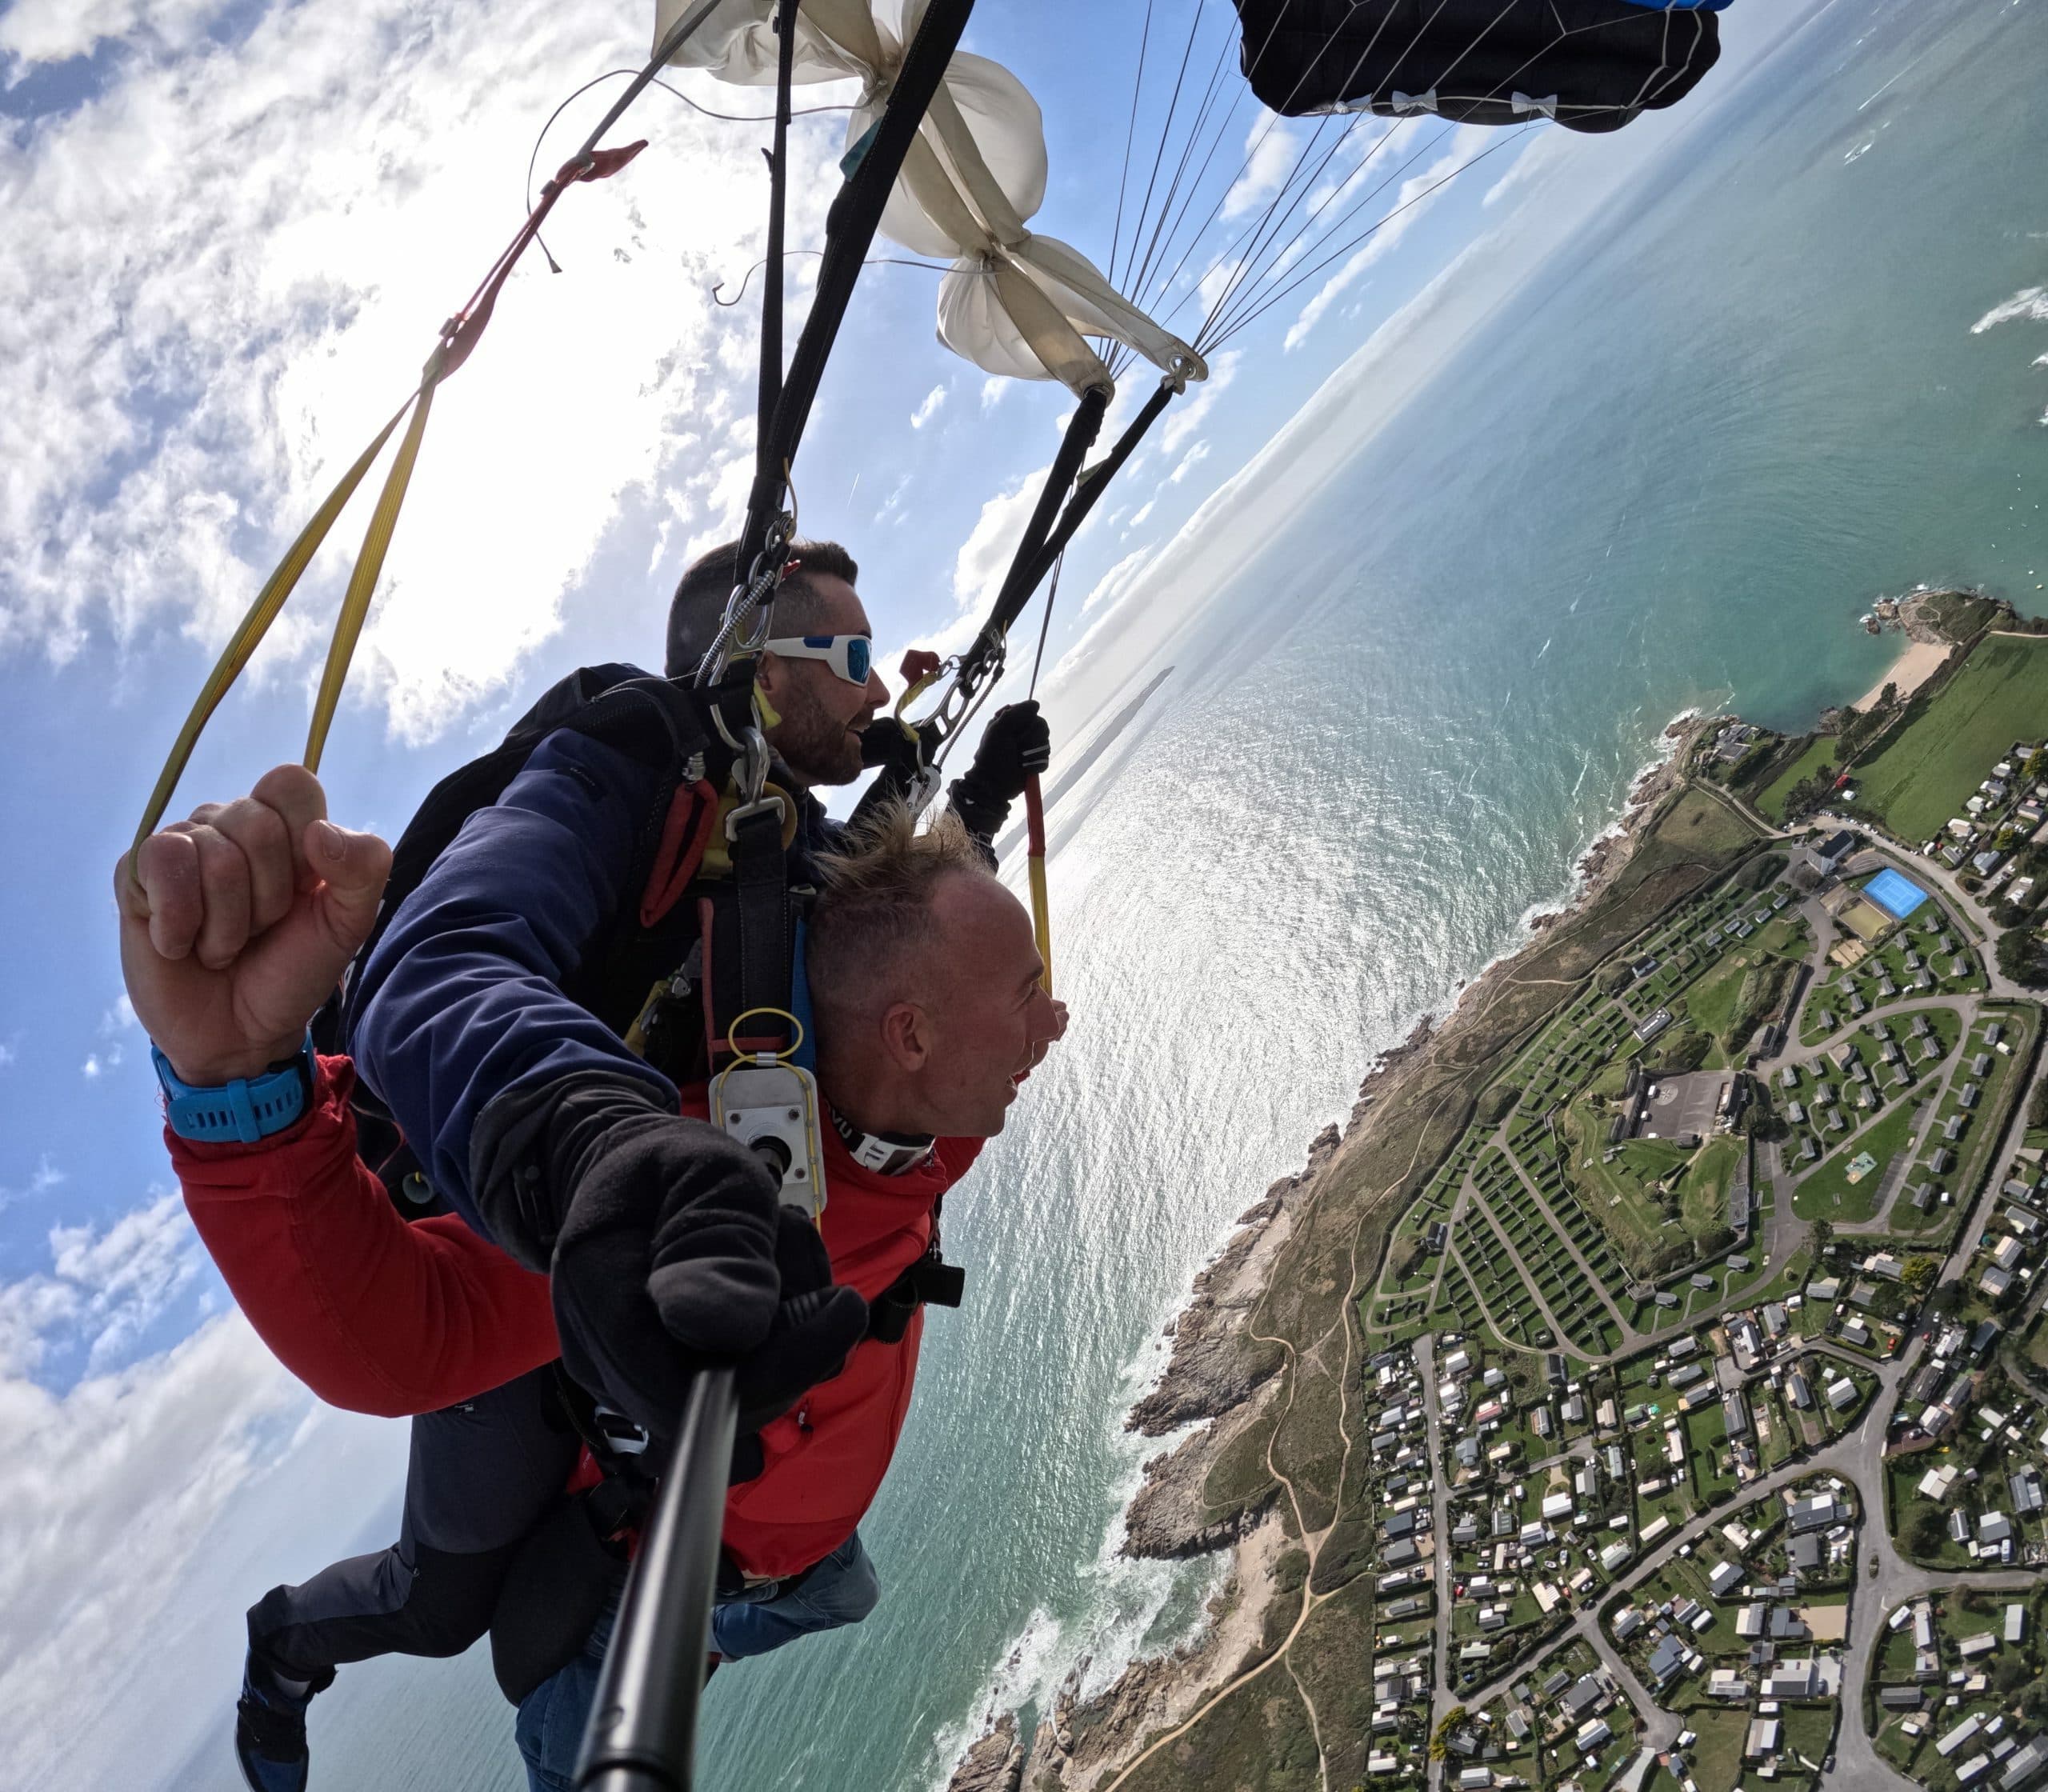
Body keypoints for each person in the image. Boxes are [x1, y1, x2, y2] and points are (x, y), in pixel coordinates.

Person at [122, 763, 1063, 1790]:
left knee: (842, 1593)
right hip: (659, 1567)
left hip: (801, 1560)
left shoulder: (929, 1125)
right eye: (1027, 998)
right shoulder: (691, 1197)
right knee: (448, 1616)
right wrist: (238, 1087)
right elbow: (403, 1339)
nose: (1050, 1023)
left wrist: (973, 803)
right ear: (913, 1035)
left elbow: (907, 962)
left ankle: (705, 1625)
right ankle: (295, 1652)